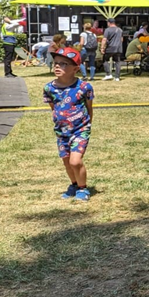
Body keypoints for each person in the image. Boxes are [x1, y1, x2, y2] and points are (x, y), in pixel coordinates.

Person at [44, 47, 94, 202]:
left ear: (75, 69)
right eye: (56, 63)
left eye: (64, 64)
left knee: (75, 161)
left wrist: (86, 126)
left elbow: (89, 108)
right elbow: (54, 108)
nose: (57, 66)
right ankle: (74, 184)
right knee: (67, 162)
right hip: (61, 132)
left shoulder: (84, 87)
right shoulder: (49, 88)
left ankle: (83, 188)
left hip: (80, 130)